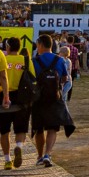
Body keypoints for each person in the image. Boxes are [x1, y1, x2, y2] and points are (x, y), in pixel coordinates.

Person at [30, 35, 74, 167]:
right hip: (55, 98)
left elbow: (31, 79)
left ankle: (39, 156)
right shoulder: (60, 60)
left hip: (39, 99)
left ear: (41, 45)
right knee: (52, 128)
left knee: (38, 128)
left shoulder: (34, 61)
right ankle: (47, 154)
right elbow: (65, 78)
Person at [0, 37, 30, 169]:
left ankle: (7, 159)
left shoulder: (3, 59)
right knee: (21, 128)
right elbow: (32, 76)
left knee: (4, 130)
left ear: (8, 47)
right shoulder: (25, 59)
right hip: (22, 97)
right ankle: (19, 146)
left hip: (4, 96)